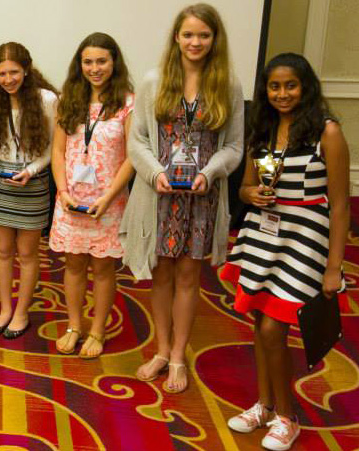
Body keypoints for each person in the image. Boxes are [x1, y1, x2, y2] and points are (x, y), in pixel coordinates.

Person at [220, 53, 348, 451]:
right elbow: (243, 188)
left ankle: (287, 418)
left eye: (290, 85)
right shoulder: (263, 129)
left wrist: (334, 268)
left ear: (306, 86)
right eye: (274, 86)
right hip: (263, 235)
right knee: (260, 326)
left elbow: (341, 205)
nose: (282, 93)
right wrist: (251, 193)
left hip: (305, 240)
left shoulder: (327, 132)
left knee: (276, 328)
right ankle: (263, 404)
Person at [119, 3, 244, 393]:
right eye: (188, 34)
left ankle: (177, 356)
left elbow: (236, 146)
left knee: (189, 277)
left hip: (201, 199)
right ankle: (160, 349)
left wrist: (210, 172)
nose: (195, 42)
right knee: (161, 275)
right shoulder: (154, 81)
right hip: (158, 195)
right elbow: (136, 138)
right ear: (177, 37)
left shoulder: (229, 85)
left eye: (203, 35)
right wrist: (155, 173)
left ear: (214, 40)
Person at [50, 33, 134, 358]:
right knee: (73, 266)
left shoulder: (128, 103)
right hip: (70, 199)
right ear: (79, 64)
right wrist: (62, 190)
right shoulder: (68, 99)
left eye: (101, 61)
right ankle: (74, 325)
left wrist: (110, 197)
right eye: (88, 61)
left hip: (108, 202)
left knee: (102, 269)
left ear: (114, 63)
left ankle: (97, 330)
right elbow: (58, 151)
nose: (95, 68)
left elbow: (131, 157)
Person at [0, 42, 58, 339]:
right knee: (1, 251)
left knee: (27, 253)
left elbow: (55, 147)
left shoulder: (46, 99)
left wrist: (32, 170)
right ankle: (4, 308)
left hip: (33, 183)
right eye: (2, 74)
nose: (8, 79)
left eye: (14, 72)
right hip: (0, 185)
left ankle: (22, 312)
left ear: (26, 70)